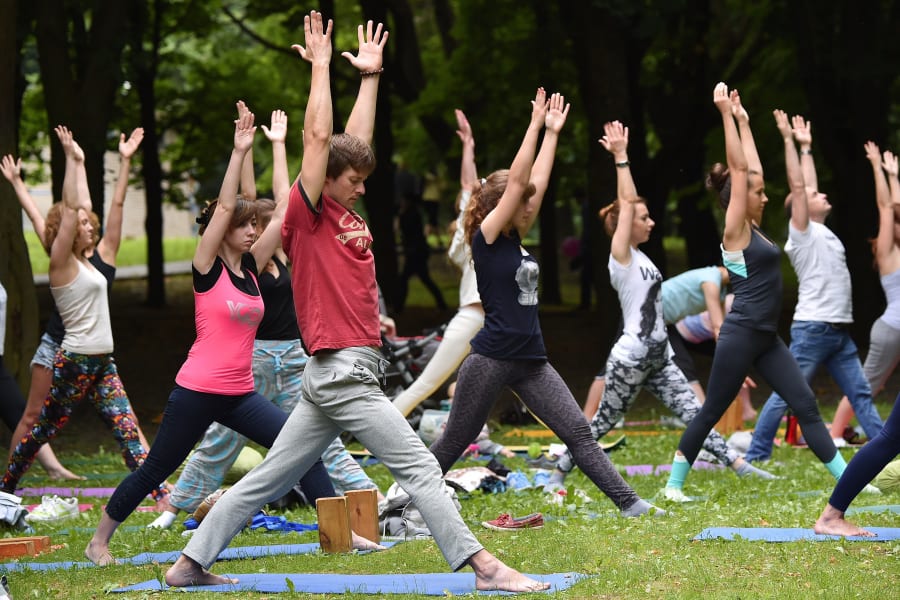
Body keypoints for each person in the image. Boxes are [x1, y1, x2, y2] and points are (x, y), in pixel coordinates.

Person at [165, 14, 550, 593]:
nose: (362, 187)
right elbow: (320, 143)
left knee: (271, 475)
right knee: (420, 467)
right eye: (353, 181)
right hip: (343, 371)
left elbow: (350, 147)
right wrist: (321, 69)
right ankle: (485, 569)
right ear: (326, 181)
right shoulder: (308, 212)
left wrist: (369, 80)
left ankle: (188, 564)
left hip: (336, 370)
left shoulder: (342, 209)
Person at [84, 105, 348, 565]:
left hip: (239, 393)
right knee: (156, 470)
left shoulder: (252, 269)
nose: (252, 231)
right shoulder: (206, 268)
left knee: (303, 445)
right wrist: (238, 150)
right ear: (224, 230)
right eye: (245, 226)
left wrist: (296, 147)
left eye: (254, 226)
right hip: (197, 392)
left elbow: (285, 207)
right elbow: (227, 205)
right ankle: (99, 541)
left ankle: (339, 536)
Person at [427, 92, 664, 519]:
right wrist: (534, 126)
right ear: (506, 205)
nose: (531, 205)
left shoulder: (515, 238)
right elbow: (519, 183)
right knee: (453, 442)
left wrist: (553, 134)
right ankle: (407, 502)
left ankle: (631, 505)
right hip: (491, 358)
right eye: (524, 201)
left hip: (532, 361)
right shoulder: (488, 237)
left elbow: (535, 183)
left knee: (579, 434)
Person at [150, 105, 380, 529]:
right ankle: (173, 507)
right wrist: (258, 148)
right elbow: (253, 203)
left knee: (325, 444)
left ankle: (369, 500)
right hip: (252, 363)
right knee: (220, 440)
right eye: (256, 223)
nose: (263, 226)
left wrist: (281, 150)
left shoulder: (291, 252)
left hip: (293, 359)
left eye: (270, 220)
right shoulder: (249, 265)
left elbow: (290, 195)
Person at [548, 121, 771, 494]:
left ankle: (740, 466)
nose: (651, 222)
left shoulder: (642, 259)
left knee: (695, 414)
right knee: (601, 423)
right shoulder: (621, 257)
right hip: (632, 358)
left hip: (660, 355)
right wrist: (621, 158)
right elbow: (628, 202)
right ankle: (557, 473)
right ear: (624, 227)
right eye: (644, 218)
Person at [663, 83, 858, 501]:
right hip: (741, 332)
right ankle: (674, 485)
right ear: (738, 199)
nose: (766, 196)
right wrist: (725, 116)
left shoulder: (755, 230)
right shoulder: (734, 230)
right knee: (713, 409)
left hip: (766, 336)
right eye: (758, 193)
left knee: (805, 404)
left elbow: (750, 170)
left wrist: (746, 122)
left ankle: (848, 479)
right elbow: (738, 169)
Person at [1, 126, 168, 504]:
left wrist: (80, 162)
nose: (86, 224)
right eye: (80, 224)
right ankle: (6, 488)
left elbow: (84, 208)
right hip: (72, 361)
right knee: (40, 427)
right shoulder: (61, 264)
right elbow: (72, 208)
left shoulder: (92, 265)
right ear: (64, 234)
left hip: (101, 362)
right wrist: (72, 161)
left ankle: (159, 494)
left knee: (126, 427)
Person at [744, 113, 884, 462]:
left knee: (861, 394)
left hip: (838, 331)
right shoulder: (802, 233)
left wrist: (808, 149)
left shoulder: (824, 231)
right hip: (813, 329)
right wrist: (789, 142)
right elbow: (798, 189)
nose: (819, 193)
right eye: (814, 194)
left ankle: (887, 452)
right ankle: (758, 453)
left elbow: (805, 186)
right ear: (800, 211)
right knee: (787, 394)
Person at [814, 147, 900, 537]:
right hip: (890, 329)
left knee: (887, 432)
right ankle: (835, 433)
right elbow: (887, 207)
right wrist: (881, 172)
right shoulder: (887, 252)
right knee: (866, 390)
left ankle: (833, 514)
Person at [392, 109, 485, 418]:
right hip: (473, 317)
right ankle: (379, 429)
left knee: (526, 377)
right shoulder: (468, 234)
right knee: (427, 383)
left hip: (499, 321)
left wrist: (469, 146)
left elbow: (471, 183)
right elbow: (468, 184)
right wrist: (468, 149)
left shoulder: (495, 231)